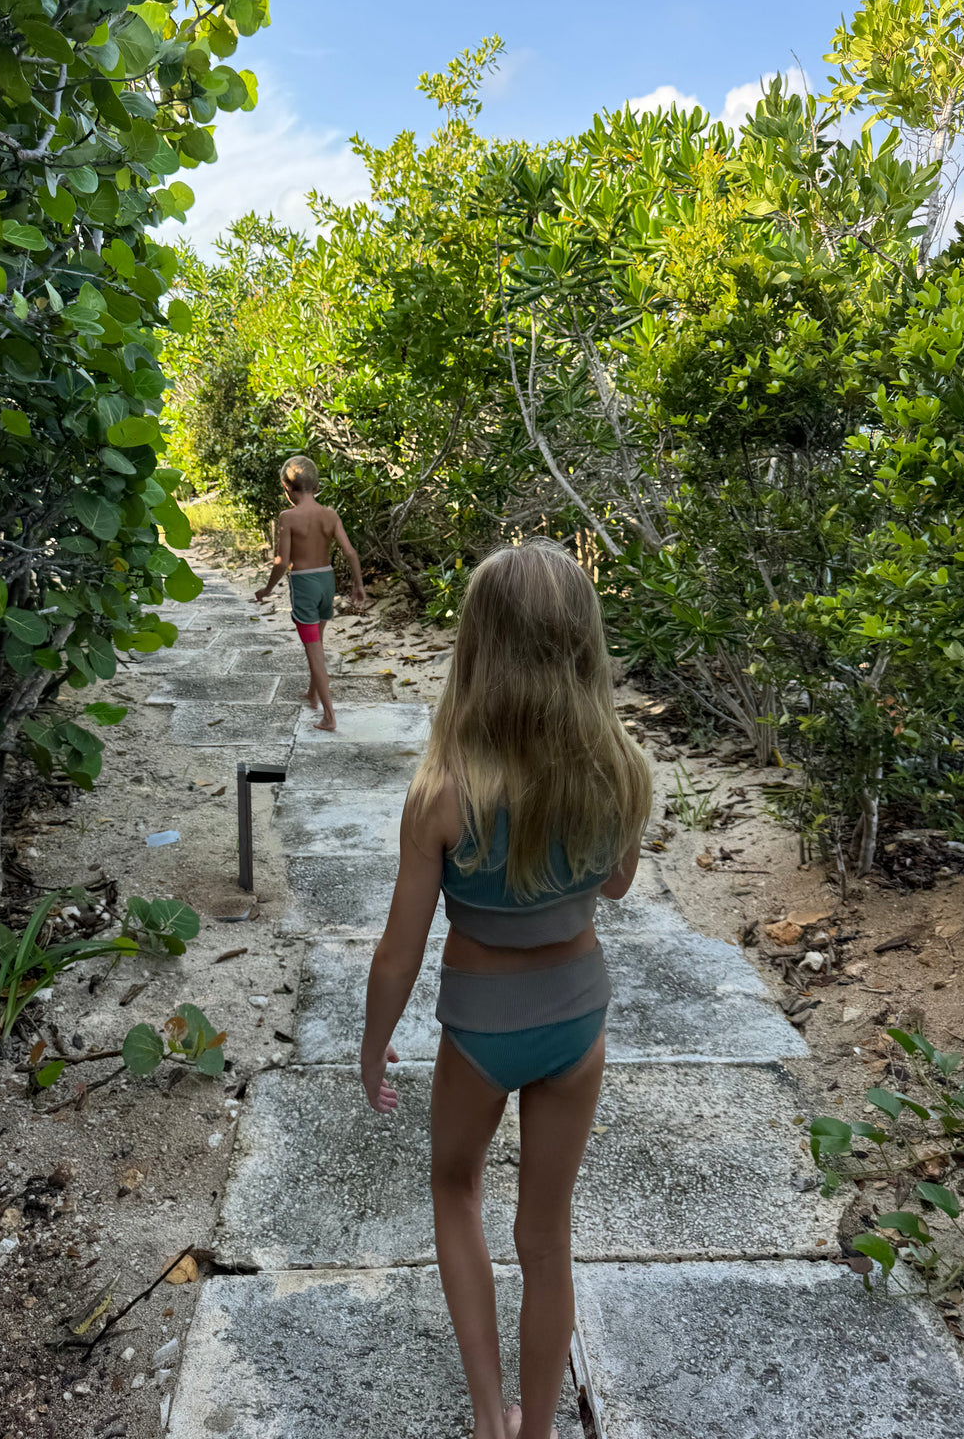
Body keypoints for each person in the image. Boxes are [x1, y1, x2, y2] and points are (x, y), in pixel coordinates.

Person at [360, 538, 651, 1439]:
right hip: (578, 1021)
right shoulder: (620, 771)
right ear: (583, 651)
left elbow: (398, 954)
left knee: (455, 1189)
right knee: (547, 1235)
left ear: (476, 649)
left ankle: (492, 1416)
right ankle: (540, 1431)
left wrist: (372, 1050)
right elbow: (614, 887)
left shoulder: (441, 792)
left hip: (480, 1028)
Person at [254, 454, 366, 731]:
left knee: (314, 652)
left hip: (304, 585)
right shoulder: (330, 515)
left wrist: (267, 588)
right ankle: (313, 693)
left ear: (286, 488)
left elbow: (283, 561)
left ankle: (329, 716)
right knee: (318, 640)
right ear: (317, 487)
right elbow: (350, 552)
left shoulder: (288, 517)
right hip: (326, 583)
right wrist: (358, 585)